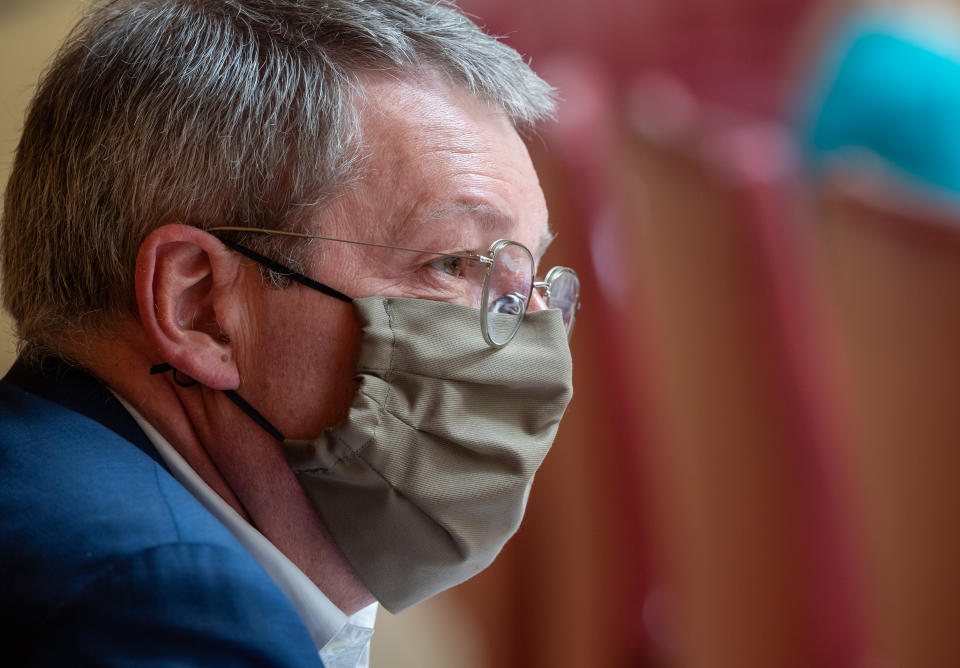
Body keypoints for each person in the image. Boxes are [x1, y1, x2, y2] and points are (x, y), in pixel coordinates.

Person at [0, 1, 579, 665]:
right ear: (202, 308)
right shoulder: (160, 602)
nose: (535, 340)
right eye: (454, 263)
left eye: (531, 285)